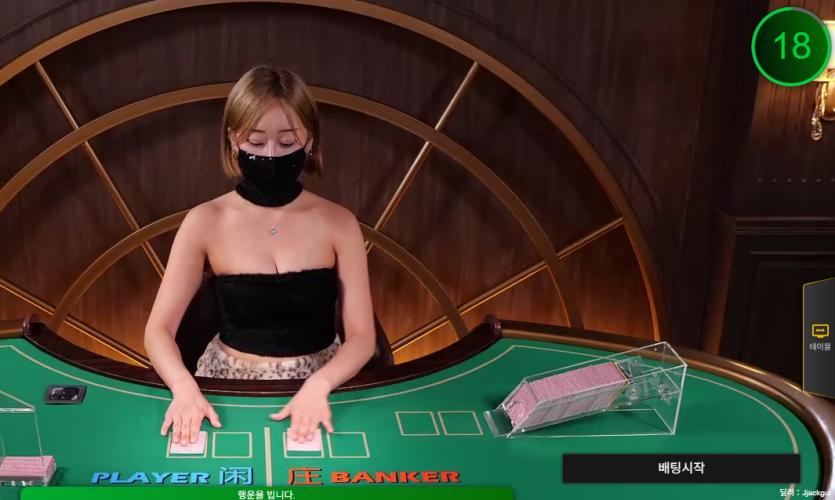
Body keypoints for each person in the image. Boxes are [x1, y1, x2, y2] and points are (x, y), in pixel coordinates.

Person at [143, 66, 377, 449]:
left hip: (323, 382)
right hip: (224, 386)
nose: (271, 154)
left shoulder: (340, 222)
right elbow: (158, 331)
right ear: (232, 140)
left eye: (287, 142)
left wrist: (320, 384)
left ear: (310, 140)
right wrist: (184, 388)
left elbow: (363, 337)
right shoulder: (204, 220)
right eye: (255, 140)